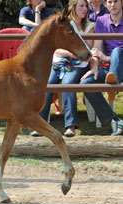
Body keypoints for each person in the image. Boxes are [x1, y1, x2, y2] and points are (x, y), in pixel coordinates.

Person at [31, 0, 95, 137]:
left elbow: (87, 50)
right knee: (47, 85)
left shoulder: (90, 26)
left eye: (86, 6)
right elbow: (55, 47)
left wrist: (74, 54)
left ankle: (70, 126)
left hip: (78, 64)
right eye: (81, 6)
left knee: (67, 85)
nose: (85, 9)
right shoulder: (64, 24)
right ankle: (40, 125)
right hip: (59, 62)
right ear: (73, 7)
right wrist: (68, 53)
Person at [80, 0, 123, 136]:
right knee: (85, 83)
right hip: (109, 69)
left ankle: (113, 83)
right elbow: (97, 49)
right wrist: (94, 66)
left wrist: (106, 58)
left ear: (122, 3)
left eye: (116, 1)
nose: (113, 4)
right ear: (105, 4)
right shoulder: (101, 20)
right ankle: (115, 120)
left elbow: (104, 55)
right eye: (109, 1)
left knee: (117, 51)